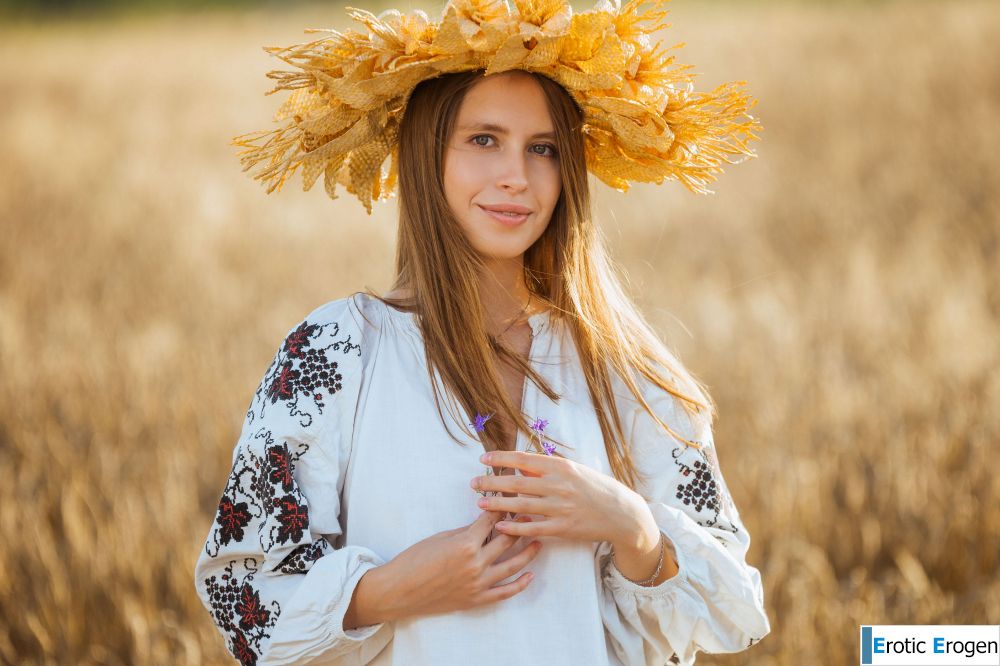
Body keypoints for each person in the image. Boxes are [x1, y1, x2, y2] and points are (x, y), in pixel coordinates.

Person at [195, 1, 769, 664]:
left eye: (544, 149)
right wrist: (385, 592)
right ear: (424, 154)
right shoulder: (332, 354)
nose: (516, 178)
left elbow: (730, 611)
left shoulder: (626, 367)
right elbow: (242, 600)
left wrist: (633, 530)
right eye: (483, 139)